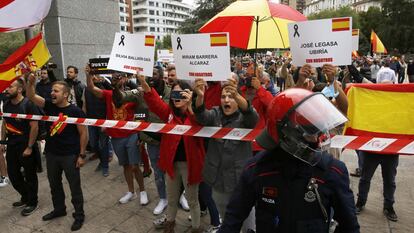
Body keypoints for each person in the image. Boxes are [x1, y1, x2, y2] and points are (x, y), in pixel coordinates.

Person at [218, 88, 360, 233]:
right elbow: (232, 220)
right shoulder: (257, 169)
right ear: (289, 134)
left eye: (320, 131)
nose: (318, 139)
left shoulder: (332, 171)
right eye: (312, 133)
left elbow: (350, 227)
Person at [137, 74, 205, 233]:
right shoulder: (169, 113)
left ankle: (196, 228)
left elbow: (200, 122)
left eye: (180, 94)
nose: (176, 98)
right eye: (173, 94)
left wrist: (190, 106)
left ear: (188, 95)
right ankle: (170, 225)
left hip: (191, 165)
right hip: (172, 165)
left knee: (193, 200)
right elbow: (153, 100)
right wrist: (142, 81)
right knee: (172, 198)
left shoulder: (196, 114)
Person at [193, 77, 259, 230]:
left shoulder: (245, 119)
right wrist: (200, 97)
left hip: (240, 182)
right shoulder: (215, 114)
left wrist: (236, 94)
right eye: (223, 96)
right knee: (227, 220)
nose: (226, 100)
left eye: (230, 96)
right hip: (218, 181)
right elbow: (201, 116)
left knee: (248, 225)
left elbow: (252, 117)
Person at [26, 74, 87, 231]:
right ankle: (59, 209)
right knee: (54, 185)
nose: (52, 93)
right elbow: (31, 96)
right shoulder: (48, 106)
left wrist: (81, 155)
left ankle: (79, 215)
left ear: (65, 94)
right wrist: (30, 83)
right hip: (52, 154)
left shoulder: (75, 111)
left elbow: (83, 134)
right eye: (52, 90)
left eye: (56, 91)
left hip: (70, 155)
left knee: (75, 187)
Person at [85, 66, 148, 205]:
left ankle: (142, 191)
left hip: (131, 135)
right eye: (114, 76)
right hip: (116, 136)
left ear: (126, 78)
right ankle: (131, 192)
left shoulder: (133, 95)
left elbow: (142, 114)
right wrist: (89, 75)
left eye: (120, 76)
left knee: (135, 166)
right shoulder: (108, 94)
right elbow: (91, 88)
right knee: (125, 165)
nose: (116, 78)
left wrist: (141, 136)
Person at [1, 79, 40, 216]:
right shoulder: (6, 104)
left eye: (10, 87)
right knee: (13, 174)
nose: (6, 89)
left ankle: (33, 202)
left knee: (30, 175)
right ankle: (25, 196)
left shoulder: (29, 105)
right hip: (12, 143)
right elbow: (5, 123)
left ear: (19, 89)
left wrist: (29, 147)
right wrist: (2, 142)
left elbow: (34, 126)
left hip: (26, 143)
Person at [355, 151, 400, 222]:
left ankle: (388, 206)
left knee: (390, 181)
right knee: (365, 179)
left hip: (391, 153)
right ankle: (360, 202)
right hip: (371, 151)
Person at [82, 74, 112, 177]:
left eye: (96, 75)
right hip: (91, 121)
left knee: (103, 145)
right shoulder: (86, 89)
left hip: (103, 122)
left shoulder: (105, 88)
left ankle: (105, 166)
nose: (94, 77)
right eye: (92, 75)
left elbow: (110, 106)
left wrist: (107, 122)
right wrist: (83, 118)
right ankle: (102, 160)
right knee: (94, 145)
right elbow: (84, 104)